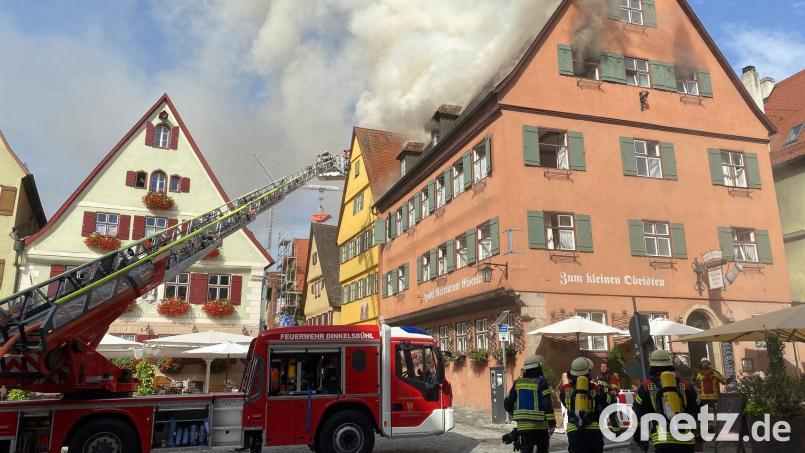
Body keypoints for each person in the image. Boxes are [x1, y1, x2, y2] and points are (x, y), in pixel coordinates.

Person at [633, 350, 701, 452]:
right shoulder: (685, 385)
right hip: (686, 441)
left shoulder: (646, 386)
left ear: (652, 367)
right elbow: (701, 409)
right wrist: (701, 436)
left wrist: (639, 440)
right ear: (670, 366)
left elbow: (637, 415)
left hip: (661, 442)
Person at [503, 355, 556, 453]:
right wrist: (552, 423)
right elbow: (547, 404)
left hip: (524, 428)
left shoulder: (518, 383)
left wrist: (513, 413)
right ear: (538, 367)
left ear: (526, 369)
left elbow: (507, 403)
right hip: (541, 428)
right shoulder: (542, 383)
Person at [559, 357, 610, 453]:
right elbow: (607, 402)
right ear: (587, 372)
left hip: (573, 430)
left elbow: (565, 404)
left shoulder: (563, 389)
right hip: (593, 430)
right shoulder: (596, 388)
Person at [596, 360, 621, 432]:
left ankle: (617, 431)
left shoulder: (612, 376)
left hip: (611, 398)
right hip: (601, 398)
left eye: (604, 367)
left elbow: (615, 387)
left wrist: (614, 391)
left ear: (608, 368)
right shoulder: (598, 376)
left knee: (612, 415)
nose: (602, 368)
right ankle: (600, 431)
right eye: (601, 367)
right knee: (600, 414)